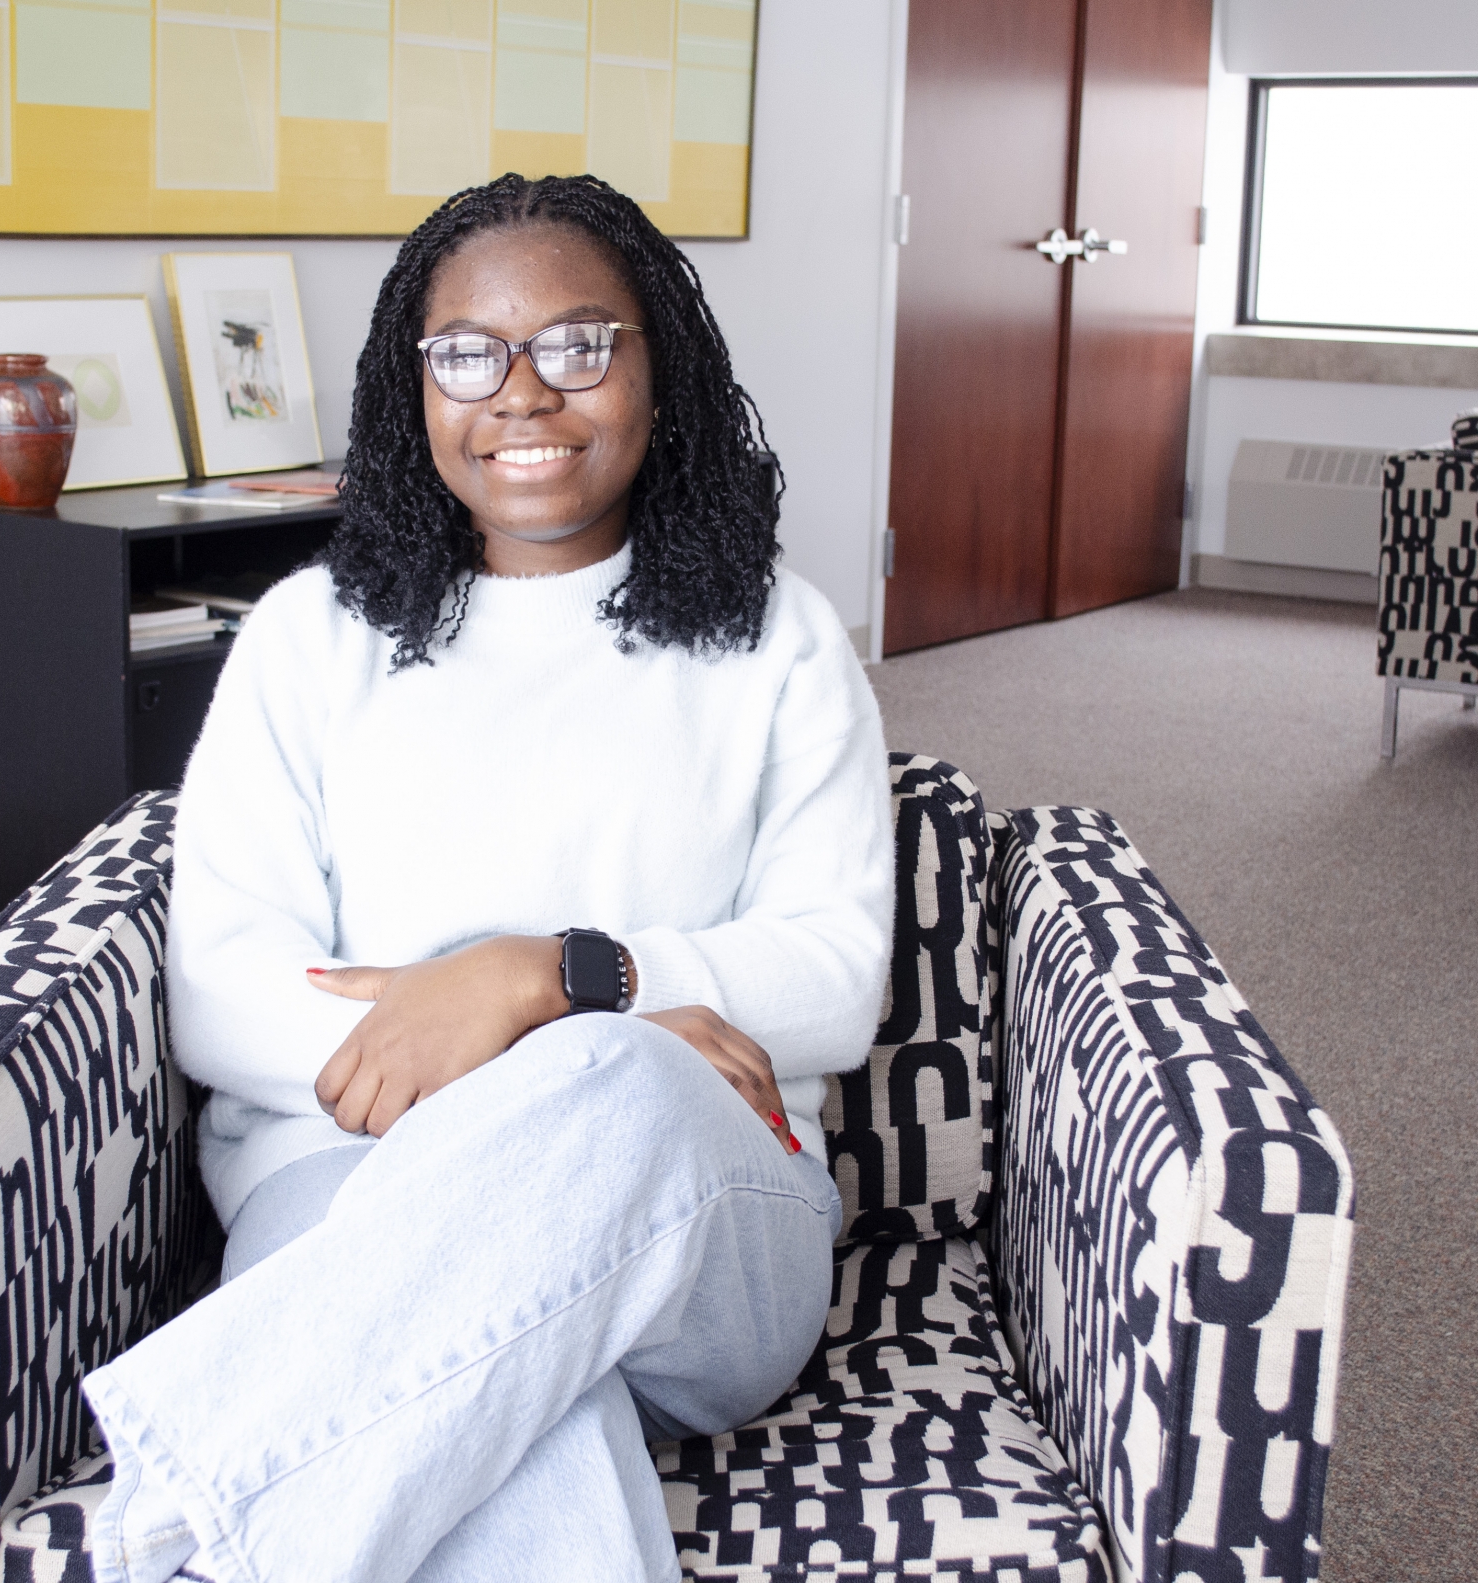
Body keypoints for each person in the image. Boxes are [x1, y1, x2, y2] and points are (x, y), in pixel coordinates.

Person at [80, 173, 892, 1583]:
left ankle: (190, 1498)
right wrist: (551, 1035)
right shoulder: (308, 638)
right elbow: (221, 993)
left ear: (660, 370)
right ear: (417, 388)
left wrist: (546, 979)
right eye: (467, 352)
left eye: (581, 344)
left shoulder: (779, 637)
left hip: (702, 1229)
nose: (523, 392)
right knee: (512, 1398)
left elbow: (831, 984)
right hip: (351, 1192)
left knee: (629, 1087)